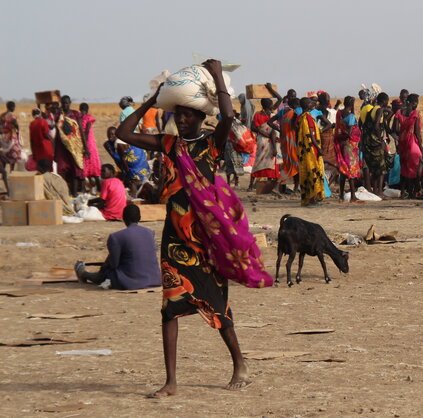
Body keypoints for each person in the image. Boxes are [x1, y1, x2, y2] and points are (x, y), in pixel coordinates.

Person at [116, 59, 271, 397]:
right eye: (178, 114)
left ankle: (240, 363)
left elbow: (229, 117)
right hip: (174, 238)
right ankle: (171, 382)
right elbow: (123, 134)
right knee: (169, 308)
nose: (182, 119)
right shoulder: (169, 145)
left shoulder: (211, 145)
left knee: (217, 303)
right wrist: (152, 101)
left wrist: (217, 76)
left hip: (205, 237)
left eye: (188, 114)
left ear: (201, 117)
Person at [74, 204, 162, 290]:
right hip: (154, 279)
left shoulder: (116, 237)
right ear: (139, 218)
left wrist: (106, 265)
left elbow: (113, 264)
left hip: (131, 282)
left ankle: (84, 274)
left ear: (123, 218)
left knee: (105, 272)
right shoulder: (150, 233)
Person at [393, 94, 423, 198]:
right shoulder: (415, 114)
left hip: (402, 143)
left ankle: (403, 192)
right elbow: (418, 133)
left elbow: (395, 129)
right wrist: (421, 146)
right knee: (415, 168)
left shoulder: (399, 112)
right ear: (413, 102)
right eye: (416, 102)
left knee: (404, 167)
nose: (417, 104)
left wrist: (403, 132)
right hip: (412, 143)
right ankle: (413, 192)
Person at [54, 96, 86, 195]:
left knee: (75, 169)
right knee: (62, 168)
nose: (65, 105)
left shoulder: (75, 114)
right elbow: (55, 131)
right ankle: (64, 192)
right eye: (63, 103)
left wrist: (86, 147)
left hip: (74, 146)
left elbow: (80, 130)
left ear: (70, 102)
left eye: (67, 103)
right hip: (61, 145)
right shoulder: (58, 115)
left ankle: (75, 192)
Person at [361, 93, 391, 196]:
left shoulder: (370, 109)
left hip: (367, 141)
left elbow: (362, 124)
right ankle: (379, 191)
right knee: (381, 167)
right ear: (385, 101)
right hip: (375, 142)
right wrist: (380, 139)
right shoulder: (379, 110)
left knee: (374, 167)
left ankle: (375, 190)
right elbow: (377, 125)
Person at [297, 97, 325, 206]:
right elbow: (311, 135)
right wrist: (319, 149)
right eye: (309, 102)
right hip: (311, 150)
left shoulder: (300, 117)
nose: (312, 103)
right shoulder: (308, 118)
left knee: (307, 173)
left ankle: (308, 199)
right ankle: (312, 199)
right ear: (307, 105)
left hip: (304, 150)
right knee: (313, 173)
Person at [334, 96, 362, 202]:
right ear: (351, 104)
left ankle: (341, 195)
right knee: (351, 169)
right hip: (349, 145)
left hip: (341, 143)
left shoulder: (339, 113)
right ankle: (353, 196)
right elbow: (349, 133)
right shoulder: (350, 116)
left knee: (343, 168)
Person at [250, 98, 278, 189]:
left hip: (261, 140)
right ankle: (269, 186)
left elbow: (254, 127)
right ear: (270, 106)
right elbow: (273, 132)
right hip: (271, 141)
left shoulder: (257, 114)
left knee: (258, 161)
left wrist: (263, 133)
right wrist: (274, 147)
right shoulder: (272, 115)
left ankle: (250, 185)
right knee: (271, 162)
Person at [278, 97, 301, 192]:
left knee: (287, 164)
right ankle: (296, 187)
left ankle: (282, 186)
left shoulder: (284, 114)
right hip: (292, 142)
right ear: (296, 105)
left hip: (284, 142)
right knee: (295, 165)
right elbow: (296, 128)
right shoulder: (294, 114)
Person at [79, 103, 102, 192]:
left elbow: (86, 131)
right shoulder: (88, 117)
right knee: (94, 164)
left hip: (84, 142)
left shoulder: (80, 119)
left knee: (85, 163)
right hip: (90, 143)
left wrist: (84, 145)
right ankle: (99, 189)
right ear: (87, 109)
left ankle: (85, 188)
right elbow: (88, 130)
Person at [0, 101, 22, 192]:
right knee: (13, 161)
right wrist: (18, 132)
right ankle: (11, 177)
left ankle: (4, 177)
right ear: (12, 107)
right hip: (11, 140)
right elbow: (16, 127)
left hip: (3, 141)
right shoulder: (13, 116)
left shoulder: (2, 116)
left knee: (3, 161)